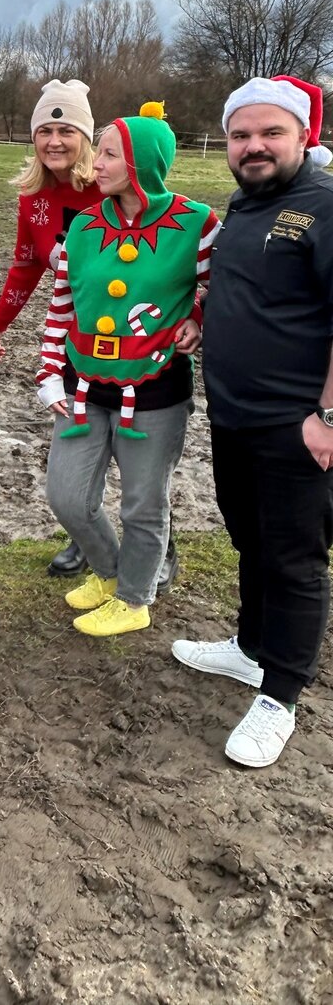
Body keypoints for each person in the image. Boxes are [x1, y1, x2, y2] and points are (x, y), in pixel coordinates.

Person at [173, 75, 333, 768]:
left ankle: (281, 695)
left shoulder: (323, 207)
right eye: (241, 135)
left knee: (295, 557)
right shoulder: (242, 205)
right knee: (247, 535)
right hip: (233, 414)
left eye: (270, 133)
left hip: (297, 423)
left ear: (304, 135)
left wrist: (327, 415)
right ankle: (247, 647)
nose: (254, 146)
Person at [36, 103, 219, 637]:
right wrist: (49, 371)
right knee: (67, 496)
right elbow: (61, 304)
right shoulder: (85, 227)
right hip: (84, 384)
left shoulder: (198, 223)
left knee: (144, 504)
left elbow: (223, 283)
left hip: (157, 392)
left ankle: (135, 598)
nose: (96, 163)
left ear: (142, 163)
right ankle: (111, 572)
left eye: (110, 153)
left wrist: (198, 315)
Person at [0, 79, 105, 579]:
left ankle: (159, 548)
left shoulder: (111, 185)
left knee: (133, 453)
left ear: (86, 137)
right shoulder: (32, 198)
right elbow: (27, 263)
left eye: (66, 129)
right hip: (73, 344)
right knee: (76, 446)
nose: (54, 140)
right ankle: (85, 536)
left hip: (132, 345)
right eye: (45, 130)